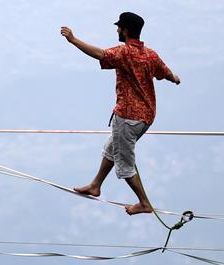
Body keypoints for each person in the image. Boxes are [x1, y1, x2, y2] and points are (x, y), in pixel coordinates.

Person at [60, 12, 181, 215]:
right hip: (146, 117)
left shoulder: (124, 52)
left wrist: (73, 40)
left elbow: (100, 54)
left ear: (125, 30)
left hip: (127, 117)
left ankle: (144, 203)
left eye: (119, 27)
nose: (117, 30)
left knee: (125, 163)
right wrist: (175, 78)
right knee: (112, 149)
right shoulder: (150, 55)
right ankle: (95, 185)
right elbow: (165, 72)